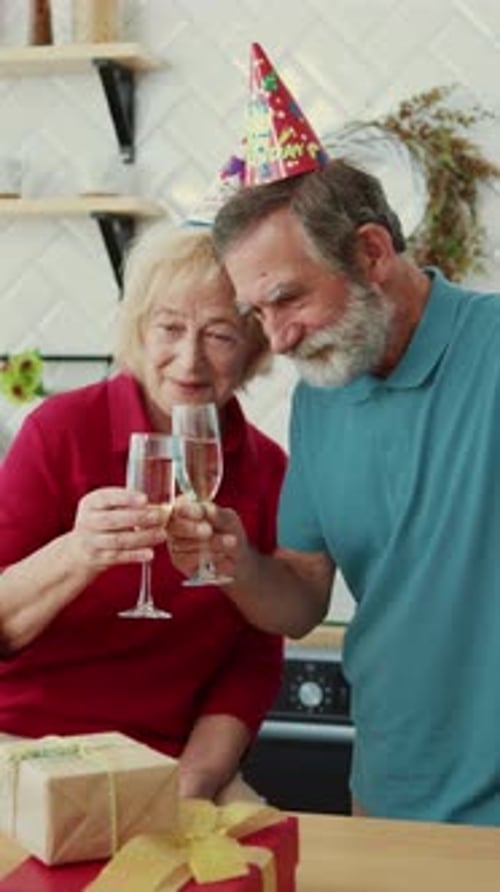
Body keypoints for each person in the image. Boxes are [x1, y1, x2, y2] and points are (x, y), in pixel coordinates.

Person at [167, 159, 500, 825]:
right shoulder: (320, 396)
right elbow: (299, 599)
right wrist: (235, 562)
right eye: (257, 313)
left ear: (371, 251)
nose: (280, 337)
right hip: (389, 789)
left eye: (289, 298)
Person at [0, 223, 286, 804]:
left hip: (171, 760)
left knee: (263, 856)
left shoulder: (266, 469)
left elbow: (253, 661)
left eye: (220, 335)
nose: (190, 359)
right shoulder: (59, 433)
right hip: (26, 746)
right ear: (139, 330)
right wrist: (77, 554)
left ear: (254, 348)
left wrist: (192, 783)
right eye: (171, 328)